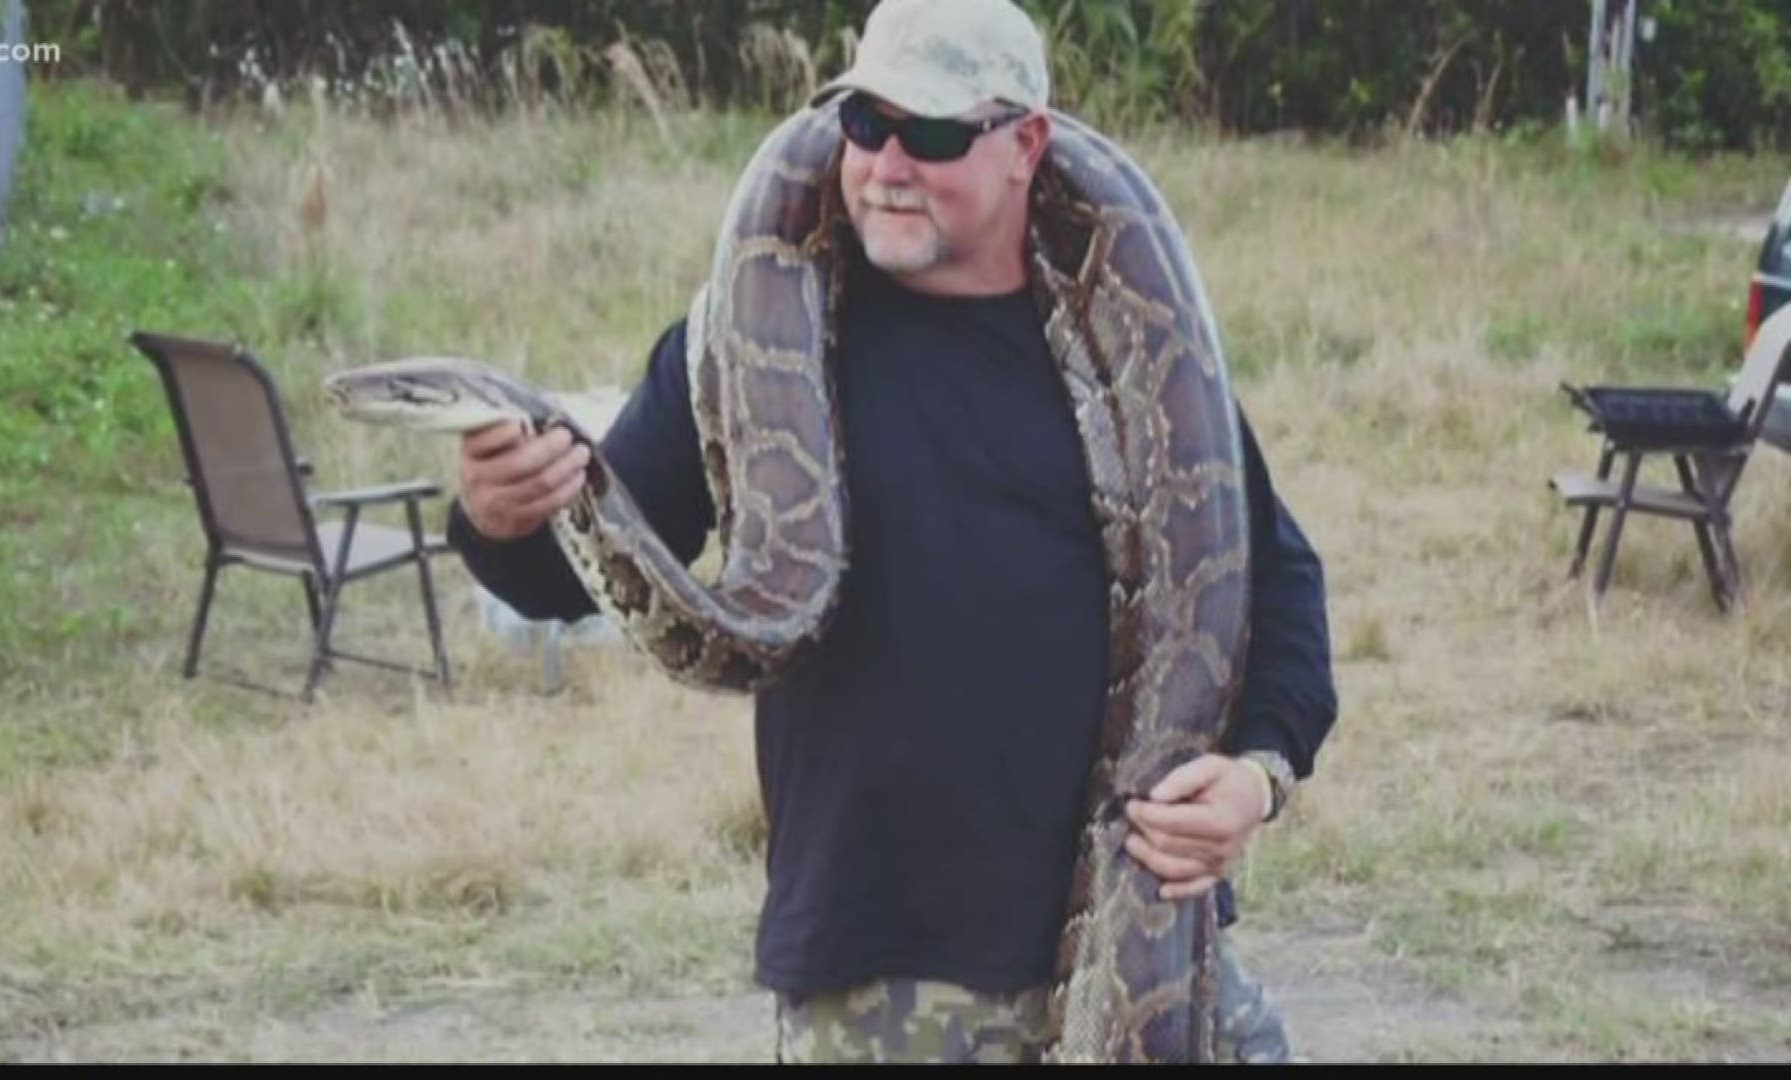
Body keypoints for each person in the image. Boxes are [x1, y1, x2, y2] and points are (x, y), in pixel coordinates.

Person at [447, 0, 1337, 1063]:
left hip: (1131, 930)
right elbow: (568, 576)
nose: (888, 164)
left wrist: (1257, 777)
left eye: (935, 134)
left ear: (1027, 146)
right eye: (866, 125)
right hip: (882, 968)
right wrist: (499, 519)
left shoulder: (1139, 362)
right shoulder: (744, 342)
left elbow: (1276, 587)